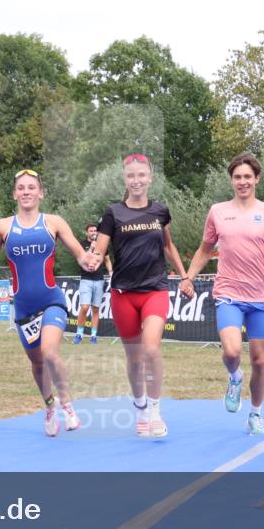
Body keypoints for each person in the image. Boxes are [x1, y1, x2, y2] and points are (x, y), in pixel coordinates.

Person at [0, 170, 93, 436]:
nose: (26, 192)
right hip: (24, 308)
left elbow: (81, 255)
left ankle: (68, 405)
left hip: (51, 300)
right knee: (37, 363)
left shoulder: (54, 222)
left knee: (50, 353)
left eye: (31, 187)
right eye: (21, 188)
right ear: (14, 194)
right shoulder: (3, 227)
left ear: (41, 193)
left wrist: (88, 260)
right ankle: (49, 407)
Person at [181, 153, 264, 435]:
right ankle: (234, 377)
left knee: (260, 361)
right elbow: (205, 250)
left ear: (257, 179)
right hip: (228, 292)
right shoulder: (217, 211)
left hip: (260, 296)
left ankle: (255, 413)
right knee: (231, 351)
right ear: (231, 180)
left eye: (247, 177)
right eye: (237, 177)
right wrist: (189, 277)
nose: (243, 182)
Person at [85, 154, 188, 438]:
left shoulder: (160, 211)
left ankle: (155, 410)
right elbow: (100, 248)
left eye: (141, 175)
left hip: (155, 289)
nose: (136, 180)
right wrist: (92, 259)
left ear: (150, 178)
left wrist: (184, 275)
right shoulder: (113, 213)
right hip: (123, 294)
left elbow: (169, 247)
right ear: (125, 179)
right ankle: (140, 407)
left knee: (151, 349)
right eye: (131, 176)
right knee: (133, 359)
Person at [73, 223, 112, 345]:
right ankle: (79, 334)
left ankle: (93, 336)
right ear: (87, 232)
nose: (94, 232)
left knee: (95, 309)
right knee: (84, 307)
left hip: (99, 280)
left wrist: (111, 272)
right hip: (86, 280)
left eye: (95, 230)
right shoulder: (82, 244)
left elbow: (107, 260)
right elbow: (83, 259)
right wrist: (91, 248)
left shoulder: (102, 246)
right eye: (91, 230)